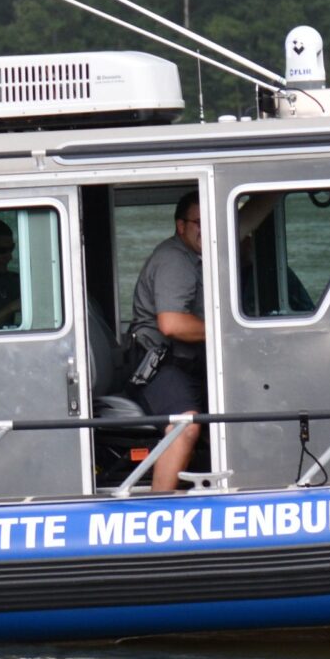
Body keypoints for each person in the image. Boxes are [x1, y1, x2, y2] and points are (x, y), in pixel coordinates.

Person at [128, 192, 208, 492]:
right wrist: (233, 332)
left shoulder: (198, 253)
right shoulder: (175, 259)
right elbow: (172, 324)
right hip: (158, 364)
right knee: (185, 427)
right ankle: (158, 512)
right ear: (181, 226)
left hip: (187, 363)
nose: (207, 228)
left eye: (212, 220)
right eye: (199, 222)